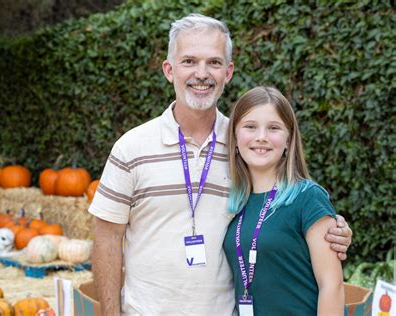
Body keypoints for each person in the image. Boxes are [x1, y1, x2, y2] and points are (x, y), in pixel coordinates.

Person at [89, 14, 352, 315]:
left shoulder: (243, 146)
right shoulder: (131, 148)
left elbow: (284, 206)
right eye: (189, 61)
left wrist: (333, 228)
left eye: (213, 63)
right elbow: (107, 237)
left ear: (228, 72)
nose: (202, 73)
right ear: (168, 70)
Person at [223, 86, 345, 315]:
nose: (261, 137)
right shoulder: (234, 204)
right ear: (235, 138)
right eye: (250, 127)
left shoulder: (308, 197)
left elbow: (332, 286)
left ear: (288, 140)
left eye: (273, 128)